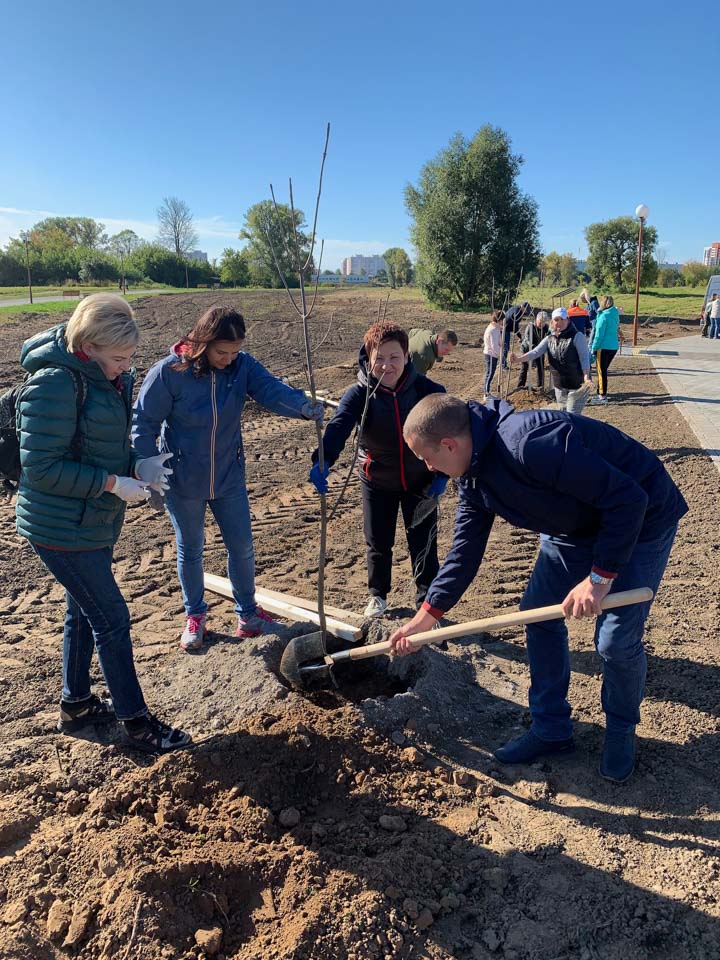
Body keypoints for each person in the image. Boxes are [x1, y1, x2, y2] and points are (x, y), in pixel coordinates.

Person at [390, 394, 688, 783]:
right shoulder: (473, 477)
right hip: (575, 526)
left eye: (427, 458)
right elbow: (464, 552)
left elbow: (629, 499)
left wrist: (599, 578)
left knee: (615, 640)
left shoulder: (531, 443)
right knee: (538, 615)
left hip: (643, 517)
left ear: (450, 444)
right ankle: (551, 728)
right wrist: (425, 618)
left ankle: (620, 730)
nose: (429, 468)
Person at [15, 294, 190, 754]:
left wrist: (138, 466)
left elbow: (100, 444)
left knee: (82, 610)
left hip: (90, 521)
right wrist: (113, 483)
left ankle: (76, 705)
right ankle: (138, 725)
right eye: (118, 358)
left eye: (130, 357)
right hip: (59, 527)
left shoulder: (107, 379)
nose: (125, 366)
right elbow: (42, 468)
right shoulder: (53, 383)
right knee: (112, 619)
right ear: (88, 345)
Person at [132, 306, 324, 652]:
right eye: (222, 352)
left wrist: (301, 406)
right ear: (202, 344)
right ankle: (195, 616)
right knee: (190, 549)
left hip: (228, 476)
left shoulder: (241, 367)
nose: (229, 358)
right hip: (182, 480)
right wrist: (148, 470)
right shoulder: (169, 373)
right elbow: (142, 422)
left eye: (235, 351)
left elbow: (269, 389)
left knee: (242, 547)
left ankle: (248, 615)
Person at [309, 323, 445, 618]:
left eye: (394, 357)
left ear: (407, 356)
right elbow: (339, 427)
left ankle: (427, 604)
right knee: (378, 542)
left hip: (420, 482)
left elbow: (449, 433)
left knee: (423, 544)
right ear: (368, 359)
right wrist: (322, 460)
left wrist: (443, 474)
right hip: (377, 481)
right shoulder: (360, 393)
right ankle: (377, 596)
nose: (386, 365)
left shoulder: (427, 390)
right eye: (379, 359)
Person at [510, 307, 592, 414]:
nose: (559, 322)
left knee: (572, 415)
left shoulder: (577, 336)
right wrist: (518, 359)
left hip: (578, 384)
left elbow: (584, 358)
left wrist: (586, 377)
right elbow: (535, 352)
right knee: (562, 414)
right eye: (556, 320)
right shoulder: (549, 339)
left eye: (562, 319)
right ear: (552, 322)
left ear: (567, 319)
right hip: (560, 385)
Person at [589, 295, 622, 405]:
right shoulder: (615, 314)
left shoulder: (603, 316)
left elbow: (599, 335)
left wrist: (594, 348)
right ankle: (600, 392)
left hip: (603, 347)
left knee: (601, 372)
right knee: (603, 370)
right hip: (613, 347)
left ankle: (602, 395)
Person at [516, 310, 549, 391]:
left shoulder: (546, 327)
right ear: (537, 320)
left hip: (540, 350)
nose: (541, 324)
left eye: (543, 322)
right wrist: (535, 348)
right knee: (525, 367)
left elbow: (549, 338)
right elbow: (527, 340)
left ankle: (540, 386)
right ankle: (520, 386)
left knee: (540, 367)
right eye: (540, 322)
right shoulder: (530, 327)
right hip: (527, 349)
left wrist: (544, 350)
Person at [501, 302, 532, 369]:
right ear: (522, 306)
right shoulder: (518, 313)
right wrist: (520, 336)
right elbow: (515, 326)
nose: (526, 311)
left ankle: (501, 363)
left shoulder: (514, 308)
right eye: (526, 309)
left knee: (503, 346)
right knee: (506, 347)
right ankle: (503, 366)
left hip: (502, 326)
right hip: (505, 329)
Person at [482, 311, 502, 401]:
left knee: (490, 373)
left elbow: (499, 341)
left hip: (491, 353)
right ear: (499, 320)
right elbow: (494, 346)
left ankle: (487, 392)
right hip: (491, 354)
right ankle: (486, 393)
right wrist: (499, 355)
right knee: (490, 373)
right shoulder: (493, 330)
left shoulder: (495, 328)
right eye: (502, 320)